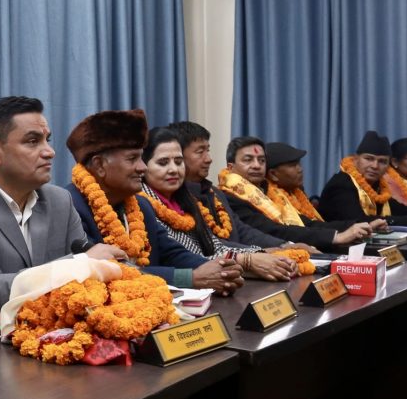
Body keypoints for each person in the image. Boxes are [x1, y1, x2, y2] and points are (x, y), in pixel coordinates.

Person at [0, 96, 123, 329]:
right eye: (32, 141)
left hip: (48, 330)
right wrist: (82, 263)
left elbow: (92, 283)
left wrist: (28, 310)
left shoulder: (60, 200)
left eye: (47, 140)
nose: (50, 152)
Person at [66, 108, 243, 293]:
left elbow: (172, 253)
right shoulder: (69, 208)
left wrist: (219, 271)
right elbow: (111, 271)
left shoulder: (141, 205)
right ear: (99, 165)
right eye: (132, 159)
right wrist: (191, 278)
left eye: (142, 158)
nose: (143, 168)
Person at [139, 127, 295, 281]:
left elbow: (215, 246)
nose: (174, 169)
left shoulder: (187, 200)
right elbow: (188, 257)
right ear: (143, 166)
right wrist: (248, 261)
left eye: (178, 162)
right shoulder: (142, 205)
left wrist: (262, 255)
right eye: (163, 163)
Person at [219, 136, 377, 250]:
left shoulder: (271, 192)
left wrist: (355, 226)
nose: (256, 165)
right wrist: (336, 237)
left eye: (261, 160)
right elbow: (274, 230)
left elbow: (307, 224)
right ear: (231, 167)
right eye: (248, 160)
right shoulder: (230, 197)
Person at [166, 120, 291, 250]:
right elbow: (208, 244)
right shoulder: (174, 197)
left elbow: (241, 230)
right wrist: (256, 253)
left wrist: (284, 245)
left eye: (208, 150)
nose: (209, 159)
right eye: (200, 152)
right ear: (178, 155)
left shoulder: (215, 193)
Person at [317, 130, 407, 228]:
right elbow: (360, 221)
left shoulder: (379, 186)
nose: (375, 166)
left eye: (382, 161)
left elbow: (402, 211)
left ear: (388, 166)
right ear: (356, 159)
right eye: (368, 159)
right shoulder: (341, 184)